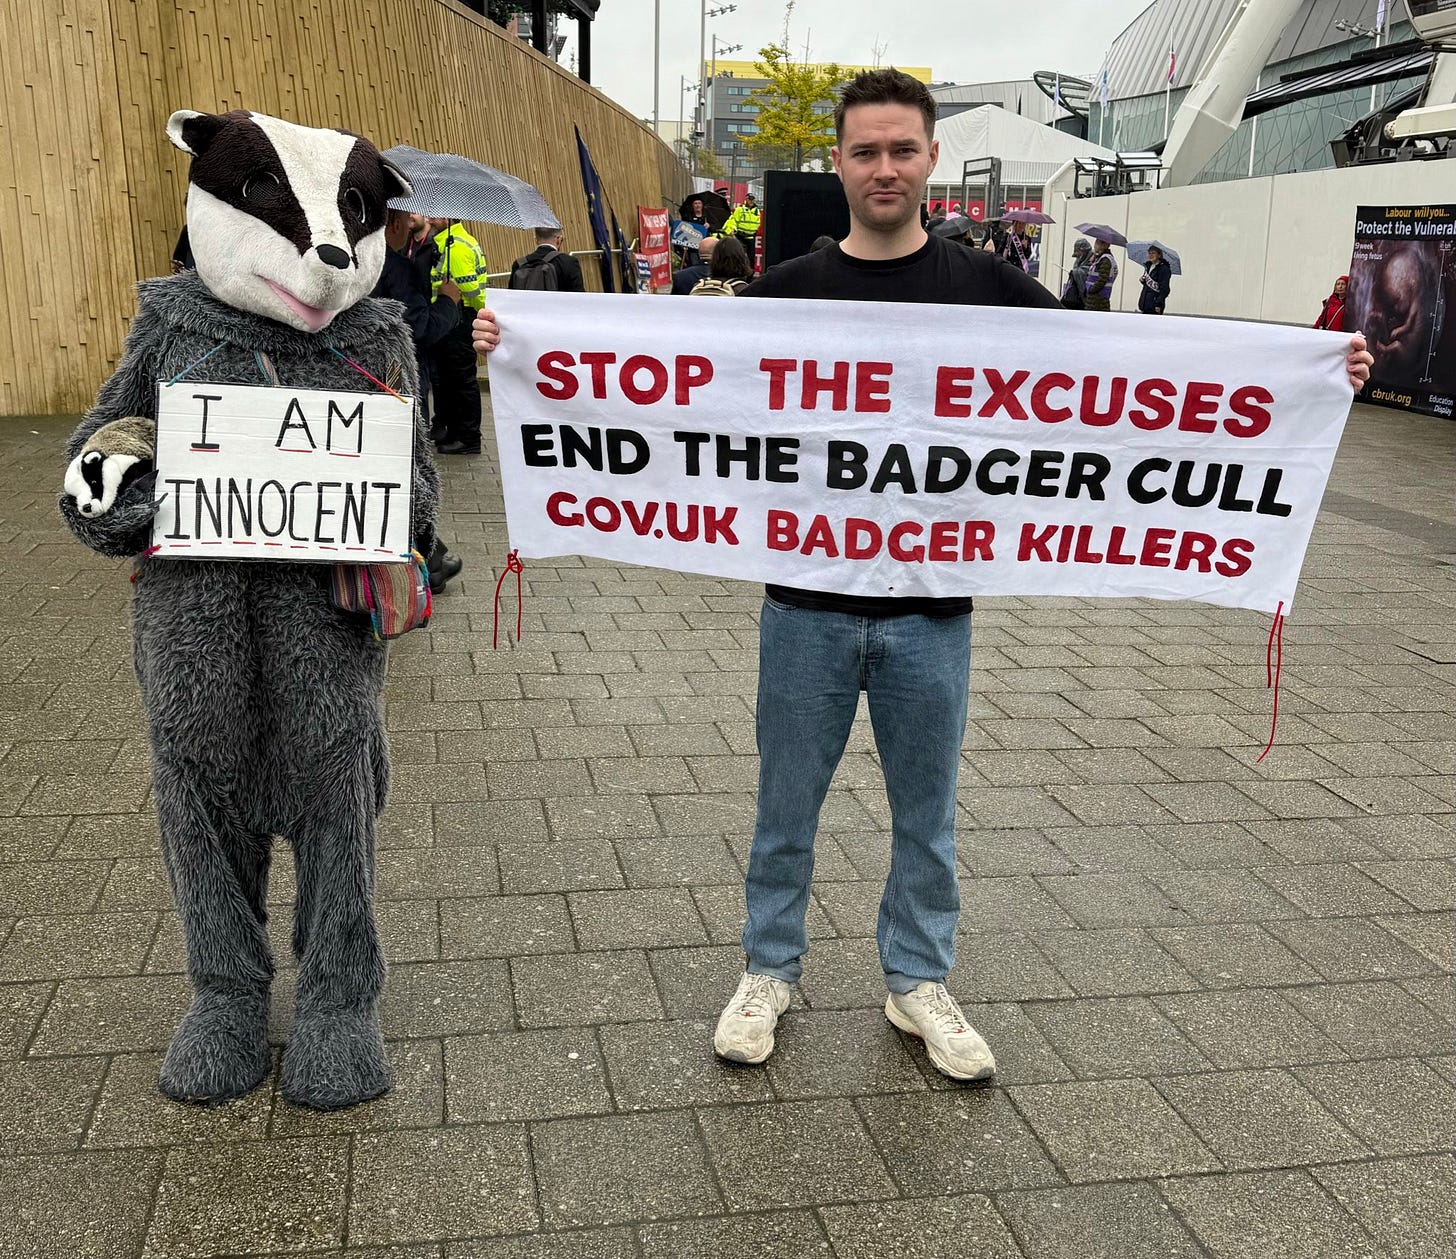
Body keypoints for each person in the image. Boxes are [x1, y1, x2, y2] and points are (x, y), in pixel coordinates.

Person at [468, 69, 1373, 1082]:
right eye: (866, 151)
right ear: (840, 164)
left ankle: (917, 979)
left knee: (926, 817)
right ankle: (768, 969)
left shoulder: (989, 289)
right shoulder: (784, 296)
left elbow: (1130, 381)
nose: (885, 167)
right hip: (804, 609)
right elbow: (663, 391)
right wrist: (522, 352)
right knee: (785, 807)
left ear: (930, 158)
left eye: (902, 149)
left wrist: (1306, 374)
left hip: (932, 614)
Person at [374, 208, 465, 592]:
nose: (414, 222)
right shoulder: (393, 266)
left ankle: (431, 554)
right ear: (393, 224)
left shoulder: (361, 260)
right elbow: (420, 329)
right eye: (406, 219)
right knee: (409, 472)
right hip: (398, 382)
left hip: (367, 381)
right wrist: (449, 302)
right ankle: (427, 560)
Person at [429, 217, 488, 454]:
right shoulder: (449, 242)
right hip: (456, 315)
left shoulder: (456, 246)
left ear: (450, 218)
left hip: (459, 316)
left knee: (462, 380)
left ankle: (469, 438)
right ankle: (456, 433)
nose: (431, 219)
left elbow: (471, 290)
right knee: (452, 380)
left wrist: (474, 310)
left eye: (436, 215)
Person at [509, 226, 585, 292]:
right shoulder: (569, 262)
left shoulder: (519, 264)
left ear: (536, 240)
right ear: (558, 239)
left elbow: (512, 297)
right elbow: (579, 297)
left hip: (528, 308)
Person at [719, 192, 762, 258]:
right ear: (746, 199)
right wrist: (731, 230)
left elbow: (757, 223)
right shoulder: (740, 210)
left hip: (751, 238)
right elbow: (733, 220)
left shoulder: (756, 211)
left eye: (753, 199)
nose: (751, 201)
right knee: (739, 255)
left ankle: (750, 268)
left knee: (751, 257)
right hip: (740, 236)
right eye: (750, 199)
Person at [1083, 237, 1118, 311]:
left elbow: (1102, 279)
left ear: (1104, 245)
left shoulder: (1105, 260)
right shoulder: (1100, 258)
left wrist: (1091, 290)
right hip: (1095, 298)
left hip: (1098, 299)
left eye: (1097, 243)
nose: (1095, 246)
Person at [1137, 245, 1172, 315]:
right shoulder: (1148, 266)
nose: (1150, 255)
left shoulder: (1164, 269)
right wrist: (1143, 281)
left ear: (1159, 255)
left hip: (1155, 305)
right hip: (1145, 304)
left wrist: (1158, 304)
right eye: (1149, 253)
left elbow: (1164, 289)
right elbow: (1149, 285)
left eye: (1153, 253)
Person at [1061, 237, 1092, 309]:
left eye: (1079, 251)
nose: (1077, 253)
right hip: (1076, 295)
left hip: (1086, 296)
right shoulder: (1078, 259)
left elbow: (1088, 271)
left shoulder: (1091, 258)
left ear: (1084, 250)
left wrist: (1076, 272)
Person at [680, 197, 710, 265]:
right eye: (695, 203)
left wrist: (709, 226)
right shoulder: (688, 217)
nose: (697, 205)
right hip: (692, 246)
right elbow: (684, 229)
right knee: (694, 263)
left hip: (704, 245)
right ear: (693, 205)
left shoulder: (707, 217)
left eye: (699, 203)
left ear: (702, 205)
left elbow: (714, 228)